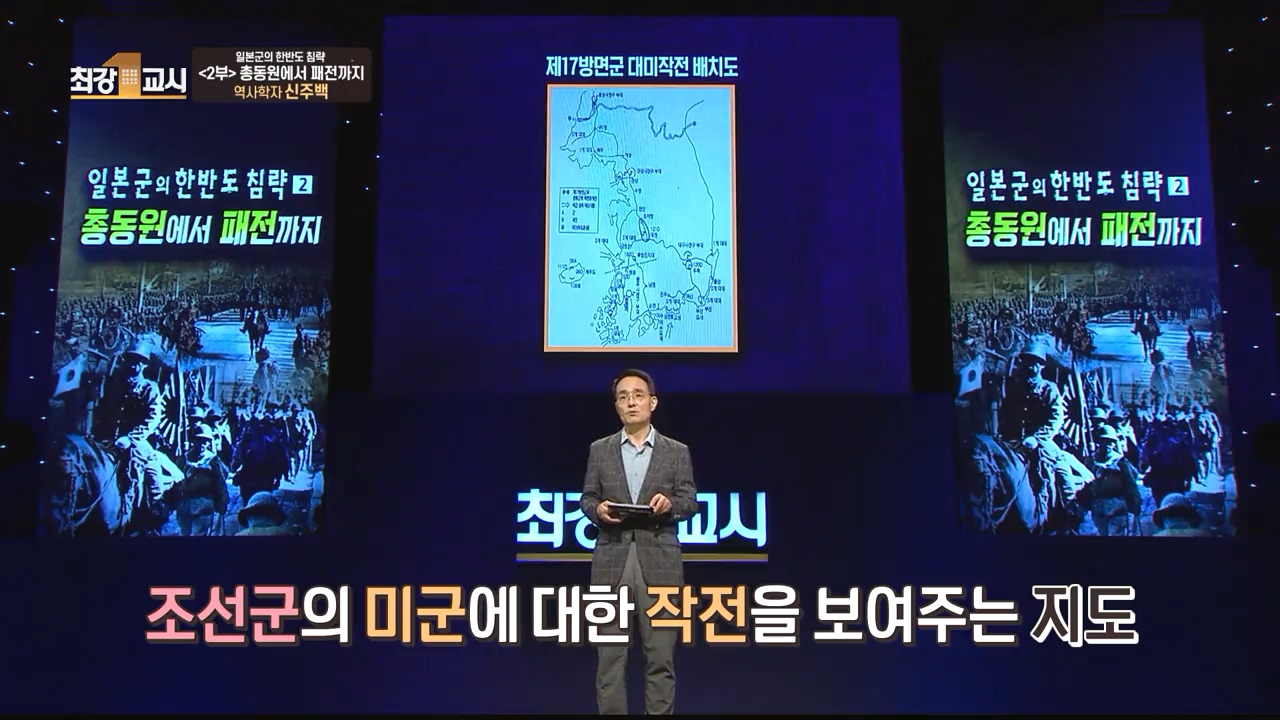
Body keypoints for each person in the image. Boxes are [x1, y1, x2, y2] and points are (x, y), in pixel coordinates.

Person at [580, 369, 699, 715]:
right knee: (609, 660)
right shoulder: (599, 450)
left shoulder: (676, 452)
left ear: (653, 402)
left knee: (660, 658)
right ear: (616, 406)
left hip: (659, 561)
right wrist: (597, 510)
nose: (631, 402)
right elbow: (587, 498)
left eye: (638, 395)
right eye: (623, 397)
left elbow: (690, 501)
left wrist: (670, 505)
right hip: (611, 560)